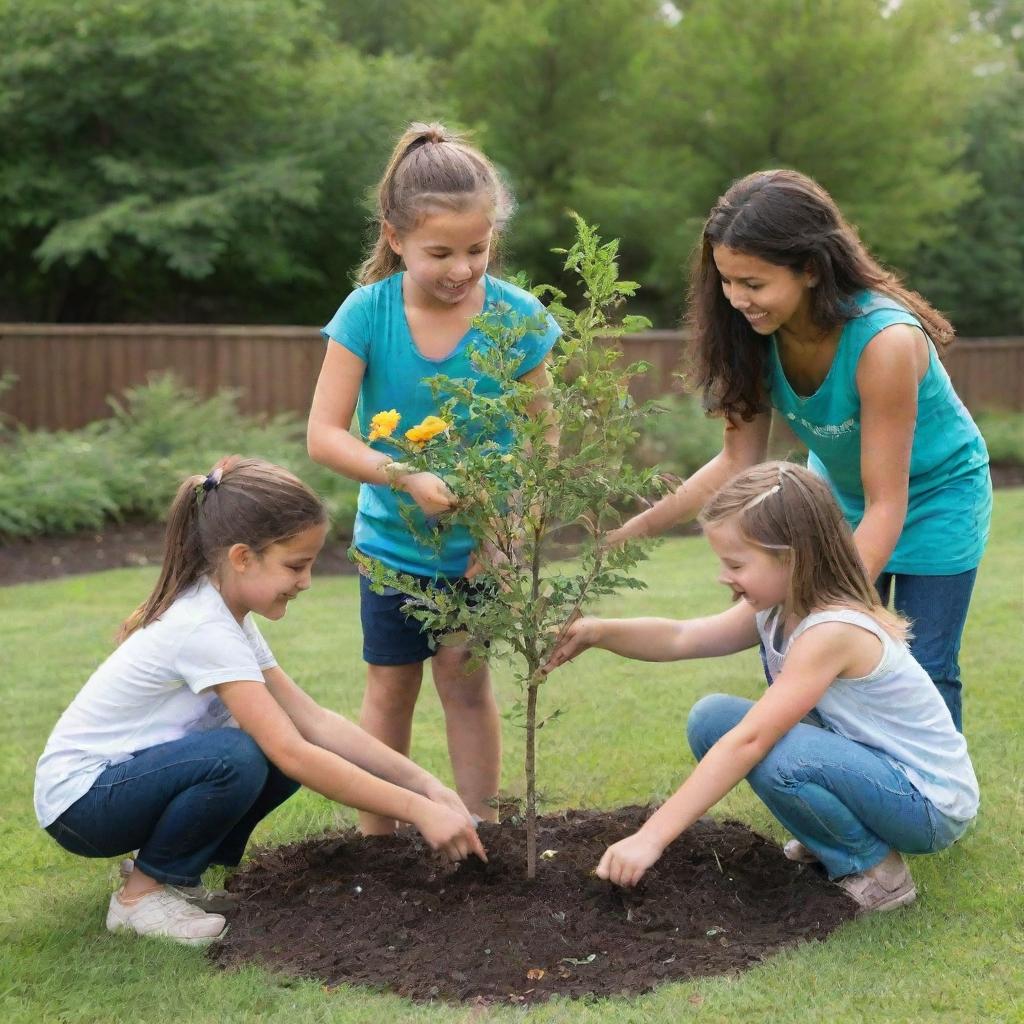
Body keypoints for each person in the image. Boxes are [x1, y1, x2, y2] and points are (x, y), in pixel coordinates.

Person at [34, 457, 486, 945]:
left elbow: (314, 721)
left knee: (262, 752)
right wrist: (419, 811)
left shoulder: (228, 618)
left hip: (118, 787)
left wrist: (426, 786)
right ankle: (139, 898)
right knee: (243, 755)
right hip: (82, 803)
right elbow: (291, 749)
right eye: (296, 565)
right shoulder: (203, 628)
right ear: (242, 557)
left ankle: (171, 878)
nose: (307, 581)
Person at [610, 169, 991, 731]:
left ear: (810, 269)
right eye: (727, 282)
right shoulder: (754, 337)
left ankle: (933, 804)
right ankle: (829, 780)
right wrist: (633, 531)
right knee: (794, 645)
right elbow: (736, 463)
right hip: (837, 494)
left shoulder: (885, 342)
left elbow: (887, 501)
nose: (737, 299)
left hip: (938, 497)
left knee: (923, 663)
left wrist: (822, 599)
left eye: (754, 284)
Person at [548, 462, 978, 913]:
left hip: (928, 805)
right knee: (711, 718)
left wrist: (650, 837)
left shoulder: (831, 630)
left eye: (735, 563)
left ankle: (876, 871)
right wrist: (599, 631)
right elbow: (682, 636)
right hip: (878, 777)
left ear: (790, 557)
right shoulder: (778, 608)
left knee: (777, 754)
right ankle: (834, 840)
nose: (723, 576)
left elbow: (751, 740)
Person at [307, 122, 560, 833]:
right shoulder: (367, 313)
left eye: (477, 251)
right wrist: (405, 475)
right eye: (439, 252)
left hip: (483, 548)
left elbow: (543, 440)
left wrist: (511, 532)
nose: (461, 269)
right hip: (393, 548)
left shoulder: (518, 319)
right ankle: (378, 841)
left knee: (466, 683)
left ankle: (480, 830)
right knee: (390, 690)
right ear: (395, 237)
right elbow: (323, 436)